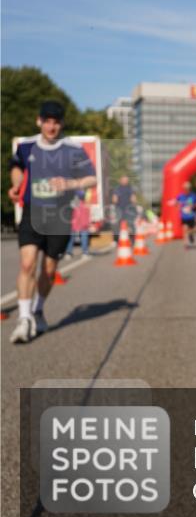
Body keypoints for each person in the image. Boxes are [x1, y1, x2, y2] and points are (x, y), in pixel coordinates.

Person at [8, 101, 97, 343]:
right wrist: (17, 184)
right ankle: (23, 318)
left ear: (62, 124)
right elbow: (16, 167)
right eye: (46, 121)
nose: (51, 126)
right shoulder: (26, 146)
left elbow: (91, 178)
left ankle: (37, 309)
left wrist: (70, 184)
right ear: (39, 121)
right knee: (27, 264)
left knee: (48, 270)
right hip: (32, 211)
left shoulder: (73, 149)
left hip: (59, 215)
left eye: (56, 122)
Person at [66, 190, 91, 259]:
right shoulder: (85, 204)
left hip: (74, 223)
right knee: (84, 237)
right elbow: (88, 215)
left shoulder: (73, 203)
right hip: (83, 223)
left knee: (71, 238)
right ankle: (85, 253)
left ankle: (68, 253)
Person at [176, 182, 196, 247]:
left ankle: (191, 234)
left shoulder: (193, 196)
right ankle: (185, 244)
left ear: (190, 189)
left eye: (188, 188)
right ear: (184, 189)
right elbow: (176, 202)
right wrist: (178, 206)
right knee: (184, 229)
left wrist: (193, 206)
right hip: (184, 216)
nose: (187, 190)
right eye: (185, 188)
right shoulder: (180, 196)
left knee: (192, 229)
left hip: (191, 216)